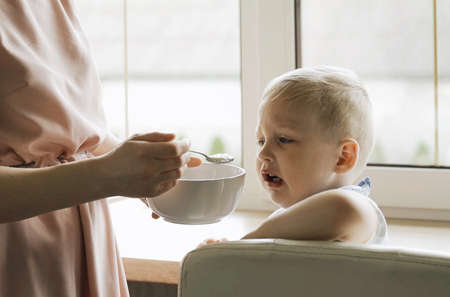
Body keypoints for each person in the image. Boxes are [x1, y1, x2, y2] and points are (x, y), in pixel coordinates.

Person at [0, 1, 199, 297]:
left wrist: (148, 166)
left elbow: (74, 131)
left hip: (86, 240)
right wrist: (106, 175)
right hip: (14, 256)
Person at [203, 66, 387, 246]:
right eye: (261, 141)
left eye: (284, 139)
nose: (263, 154)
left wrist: (243, 246)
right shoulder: (283, 221)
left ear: (342, 157)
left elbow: (343, 209)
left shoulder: (360, 210)